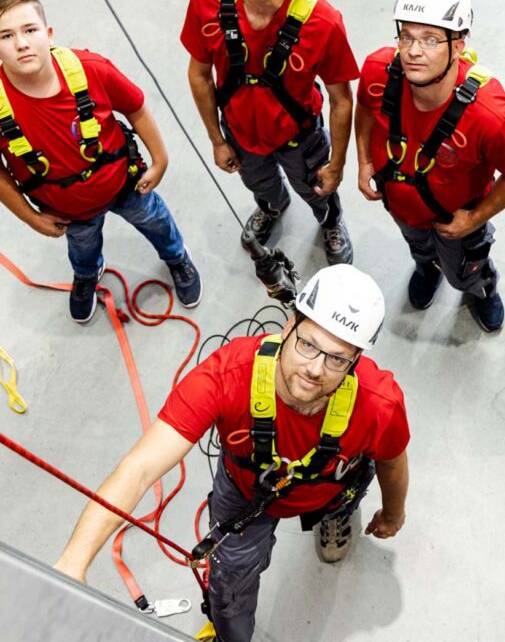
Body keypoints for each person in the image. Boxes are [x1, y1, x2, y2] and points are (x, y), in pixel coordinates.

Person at [54, 264, 410, 642]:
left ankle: (334, 517)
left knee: (345, 491)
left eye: (337, 358)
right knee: (229, 584)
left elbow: (391, 460)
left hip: (331, 486)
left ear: (355, 360)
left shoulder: (379, 404)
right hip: (248, 495)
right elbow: (140, 468)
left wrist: (393, 513)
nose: (315, 369)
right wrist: (73, 563)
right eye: (308, 344)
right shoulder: (227, 375)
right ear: (289, 327)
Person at [0, 0, 201, 322]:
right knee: (82, 246)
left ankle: (177, 256)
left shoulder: (91, 70)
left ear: (48, 35)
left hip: (125, 184)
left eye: (30, 30)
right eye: (6, 35)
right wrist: (32, 218)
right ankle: (87, 274)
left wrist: (160, 160)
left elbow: (135, 108)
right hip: (65, 210)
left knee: (155, 221)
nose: (21, 43)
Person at [182, 0, 358, 265]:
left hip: (299, 135)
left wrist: (337, 163)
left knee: (317, 188)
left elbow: (342, 100)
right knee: (260, 184)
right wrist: (217, 139)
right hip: (241, 133)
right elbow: (199, 74)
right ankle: (272, 206)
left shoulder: (322, 22)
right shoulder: (207, 0)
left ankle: (330, 221)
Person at [355, 0, 505, 332]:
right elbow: (365, 110)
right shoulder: (379, 71)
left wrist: (475, 218)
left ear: (458, 46)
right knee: (419, 248)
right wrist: (364, 162)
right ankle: (425, 268)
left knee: (467, 268)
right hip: (401, 207)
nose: (413, 51)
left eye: (430, 40)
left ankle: (480, 290)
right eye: (406, 36)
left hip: (457, 223)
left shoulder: (490, 115)